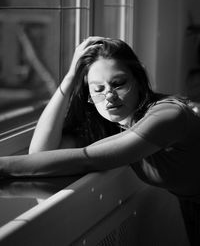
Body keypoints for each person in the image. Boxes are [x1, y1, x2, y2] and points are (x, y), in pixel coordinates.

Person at [1, 36, 200, 244]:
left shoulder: (168, 115)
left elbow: (87, 159)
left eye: (118, 83)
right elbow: (40, 154)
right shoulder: (116, 127)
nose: (109, 96)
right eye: (98, 89)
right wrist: (70, 78)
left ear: (139, 81)